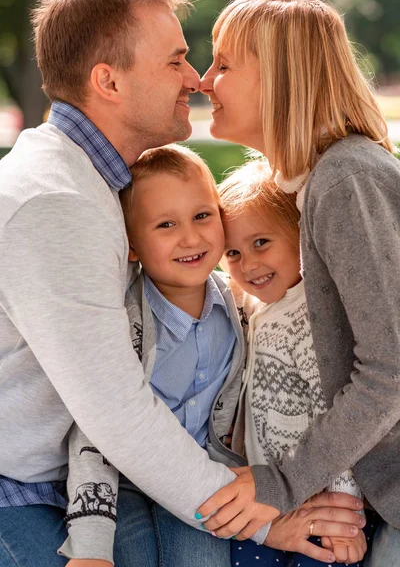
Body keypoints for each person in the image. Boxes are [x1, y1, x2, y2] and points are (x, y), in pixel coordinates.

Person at [0, 0, 366, 566]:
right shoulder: (56, 202)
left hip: (97, 480)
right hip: (24, 491)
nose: (196, 78)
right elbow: (116, 413)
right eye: (175, 60)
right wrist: (259, 520)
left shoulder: (93, 183)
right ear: (109, 81)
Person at [60, 146, 364, 567]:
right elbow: (93, 431)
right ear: (130, 245)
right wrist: (91, 546)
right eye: (166, 224)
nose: (190, 237)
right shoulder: (123, 323)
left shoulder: (240, 305)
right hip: (122, 485)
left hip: (204, 480)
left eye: (202, 216)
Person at [198, 0, 400, 567]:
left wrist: (279, 483)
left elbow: (389, 371)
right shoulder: (315, 184)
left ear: (282, 75)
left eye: (225, 64)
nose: (206, 81)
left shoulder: (345, 179)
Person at [218, 159, 380, 566]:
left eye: (261, 243)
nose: (248, 264)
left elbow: (335, 410)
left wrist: (344, 514)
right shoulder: (257, 307)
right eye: (232, 252)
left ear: (300, 235)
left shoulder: (309, 317)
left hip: (321, 504)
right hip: (273, 494)